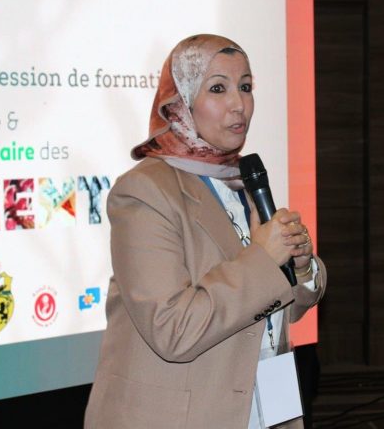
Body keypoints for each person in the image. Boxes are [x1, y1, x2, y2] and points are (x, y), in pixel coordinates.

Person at [84, 34, 326, 428]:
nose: (239, 104)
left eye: (245, 87)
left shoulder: (241, 180)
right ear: (180, 103)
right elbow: (172, 330)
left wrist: (300, 269)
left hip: (264, 405)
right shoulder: (145, 191)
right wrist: (264, 259)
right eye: (217, 88)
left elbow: (272, 304)